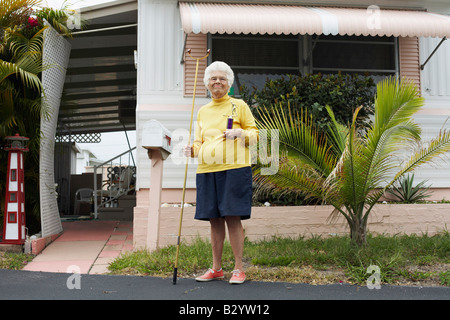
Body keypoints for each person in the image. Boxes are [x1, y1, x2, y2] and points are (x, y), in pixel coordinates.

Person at [183, 61, 258, 284]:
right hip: (207, 170)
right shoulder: (202, 111)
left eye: (222, 79)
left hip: (235, 169)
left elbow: (255, 134)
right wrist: (192, 150)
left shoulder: (239, 106)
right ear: (207, 84)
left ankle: (238, 269)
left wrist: (239, 132)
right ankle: (216, 268)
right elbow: (199, 142)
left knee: (232, 217)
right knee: (214, 219)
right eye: (213, 79)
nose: (217, 82)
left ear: (229, 84)